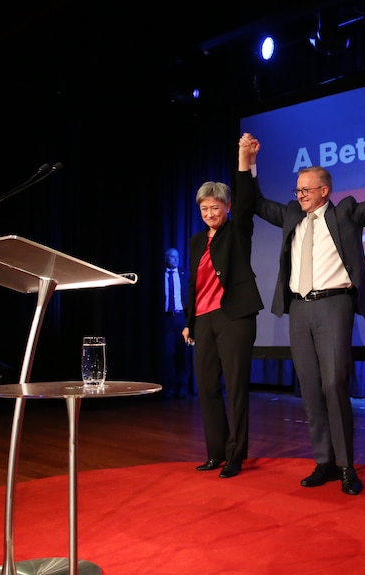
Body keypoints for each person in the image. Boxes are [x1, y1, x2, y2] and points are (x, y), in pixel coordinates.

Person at [248, 133, 365, 496]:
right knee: (311, 388)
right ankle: (324, 462)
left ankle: (348, 466)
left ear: (324, 191)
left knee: (334, 384)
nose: (299, 195)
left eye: (306, 190)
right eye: (297, 189)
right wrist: (250, 163)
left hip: (335, 304)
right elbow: (254, 202)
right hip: (299, 308)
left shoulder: (345, 211)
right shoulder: (291, 215)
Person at [183, 134, 264, 479]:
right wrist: (189, 321)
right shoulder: (196, 240)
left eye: (215, 207)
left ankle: (236, 454)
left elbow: (247, 200)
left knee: (235, 386)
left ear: (226, 208)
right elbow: (195, 283)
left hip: (234, 317)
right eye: (204, 208)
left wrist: (244, 159)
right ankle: (215, 451)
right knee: (206, 386)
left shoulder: (237, 230)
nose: (209, 213)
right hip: (203, 319)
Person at [161, 247, 191, 398]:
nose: (176, 259)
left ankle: (183, 387)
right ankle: (169, 387)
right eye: (172, 257)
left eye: (177, 257)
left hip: (181, 318)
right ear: (166, 258)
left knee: (183, 353)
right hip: (166, 318)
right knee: (168, 353)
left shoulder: (185, 274)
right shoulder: (161, 275)